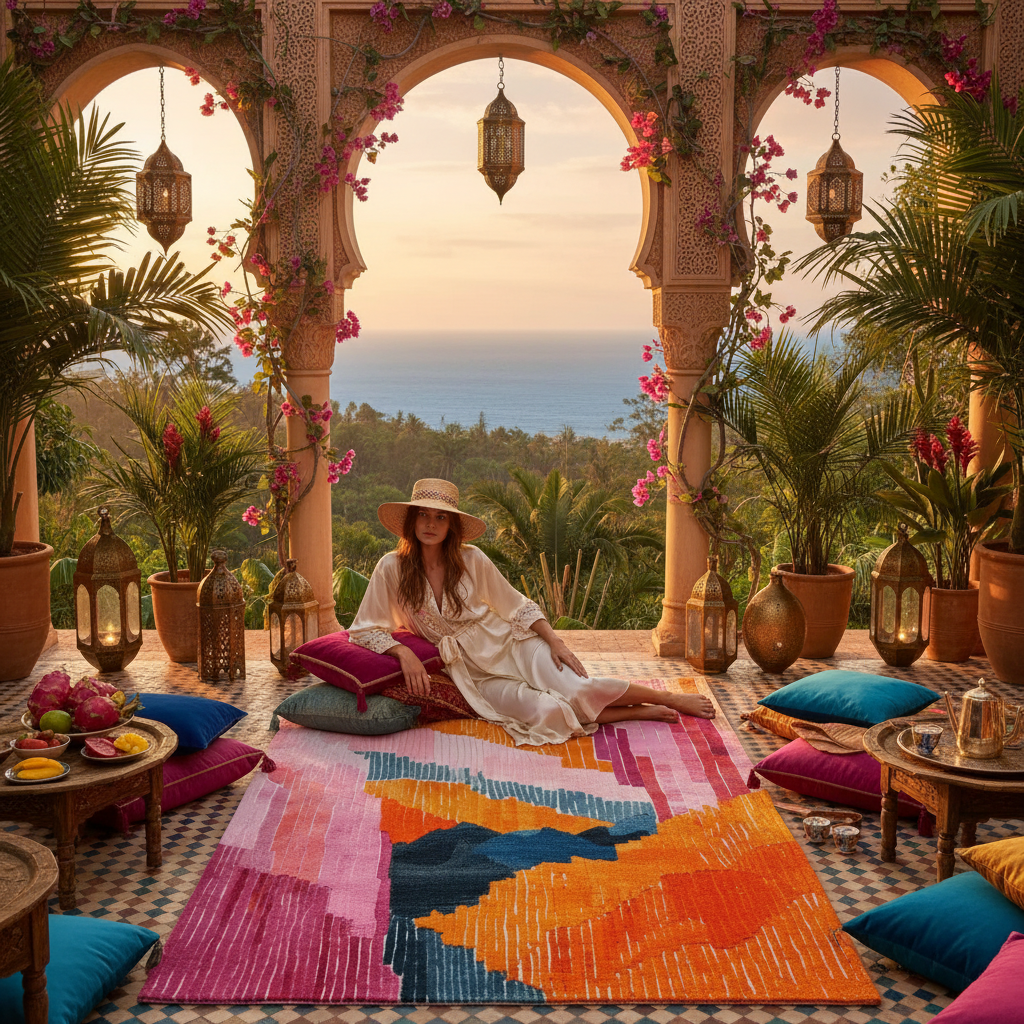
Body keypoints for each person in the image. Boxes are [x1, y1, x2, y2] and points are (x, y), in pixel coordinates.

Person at [348, 478, 715, 746]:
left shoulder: (472, 559)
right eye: (424, 516)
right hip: (469, 672)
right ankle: (637, 711)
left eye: (440, 518)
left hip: (510, 644)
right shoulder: (391, 568)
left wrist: (554, 641)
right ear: (412, 521)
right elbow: (364, 629)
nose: (431, 524)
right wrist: (403, 651)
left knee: (576, 688)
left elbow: (515, 604)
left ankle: (666, 698)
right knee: (548, 712)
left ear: (452, 526)